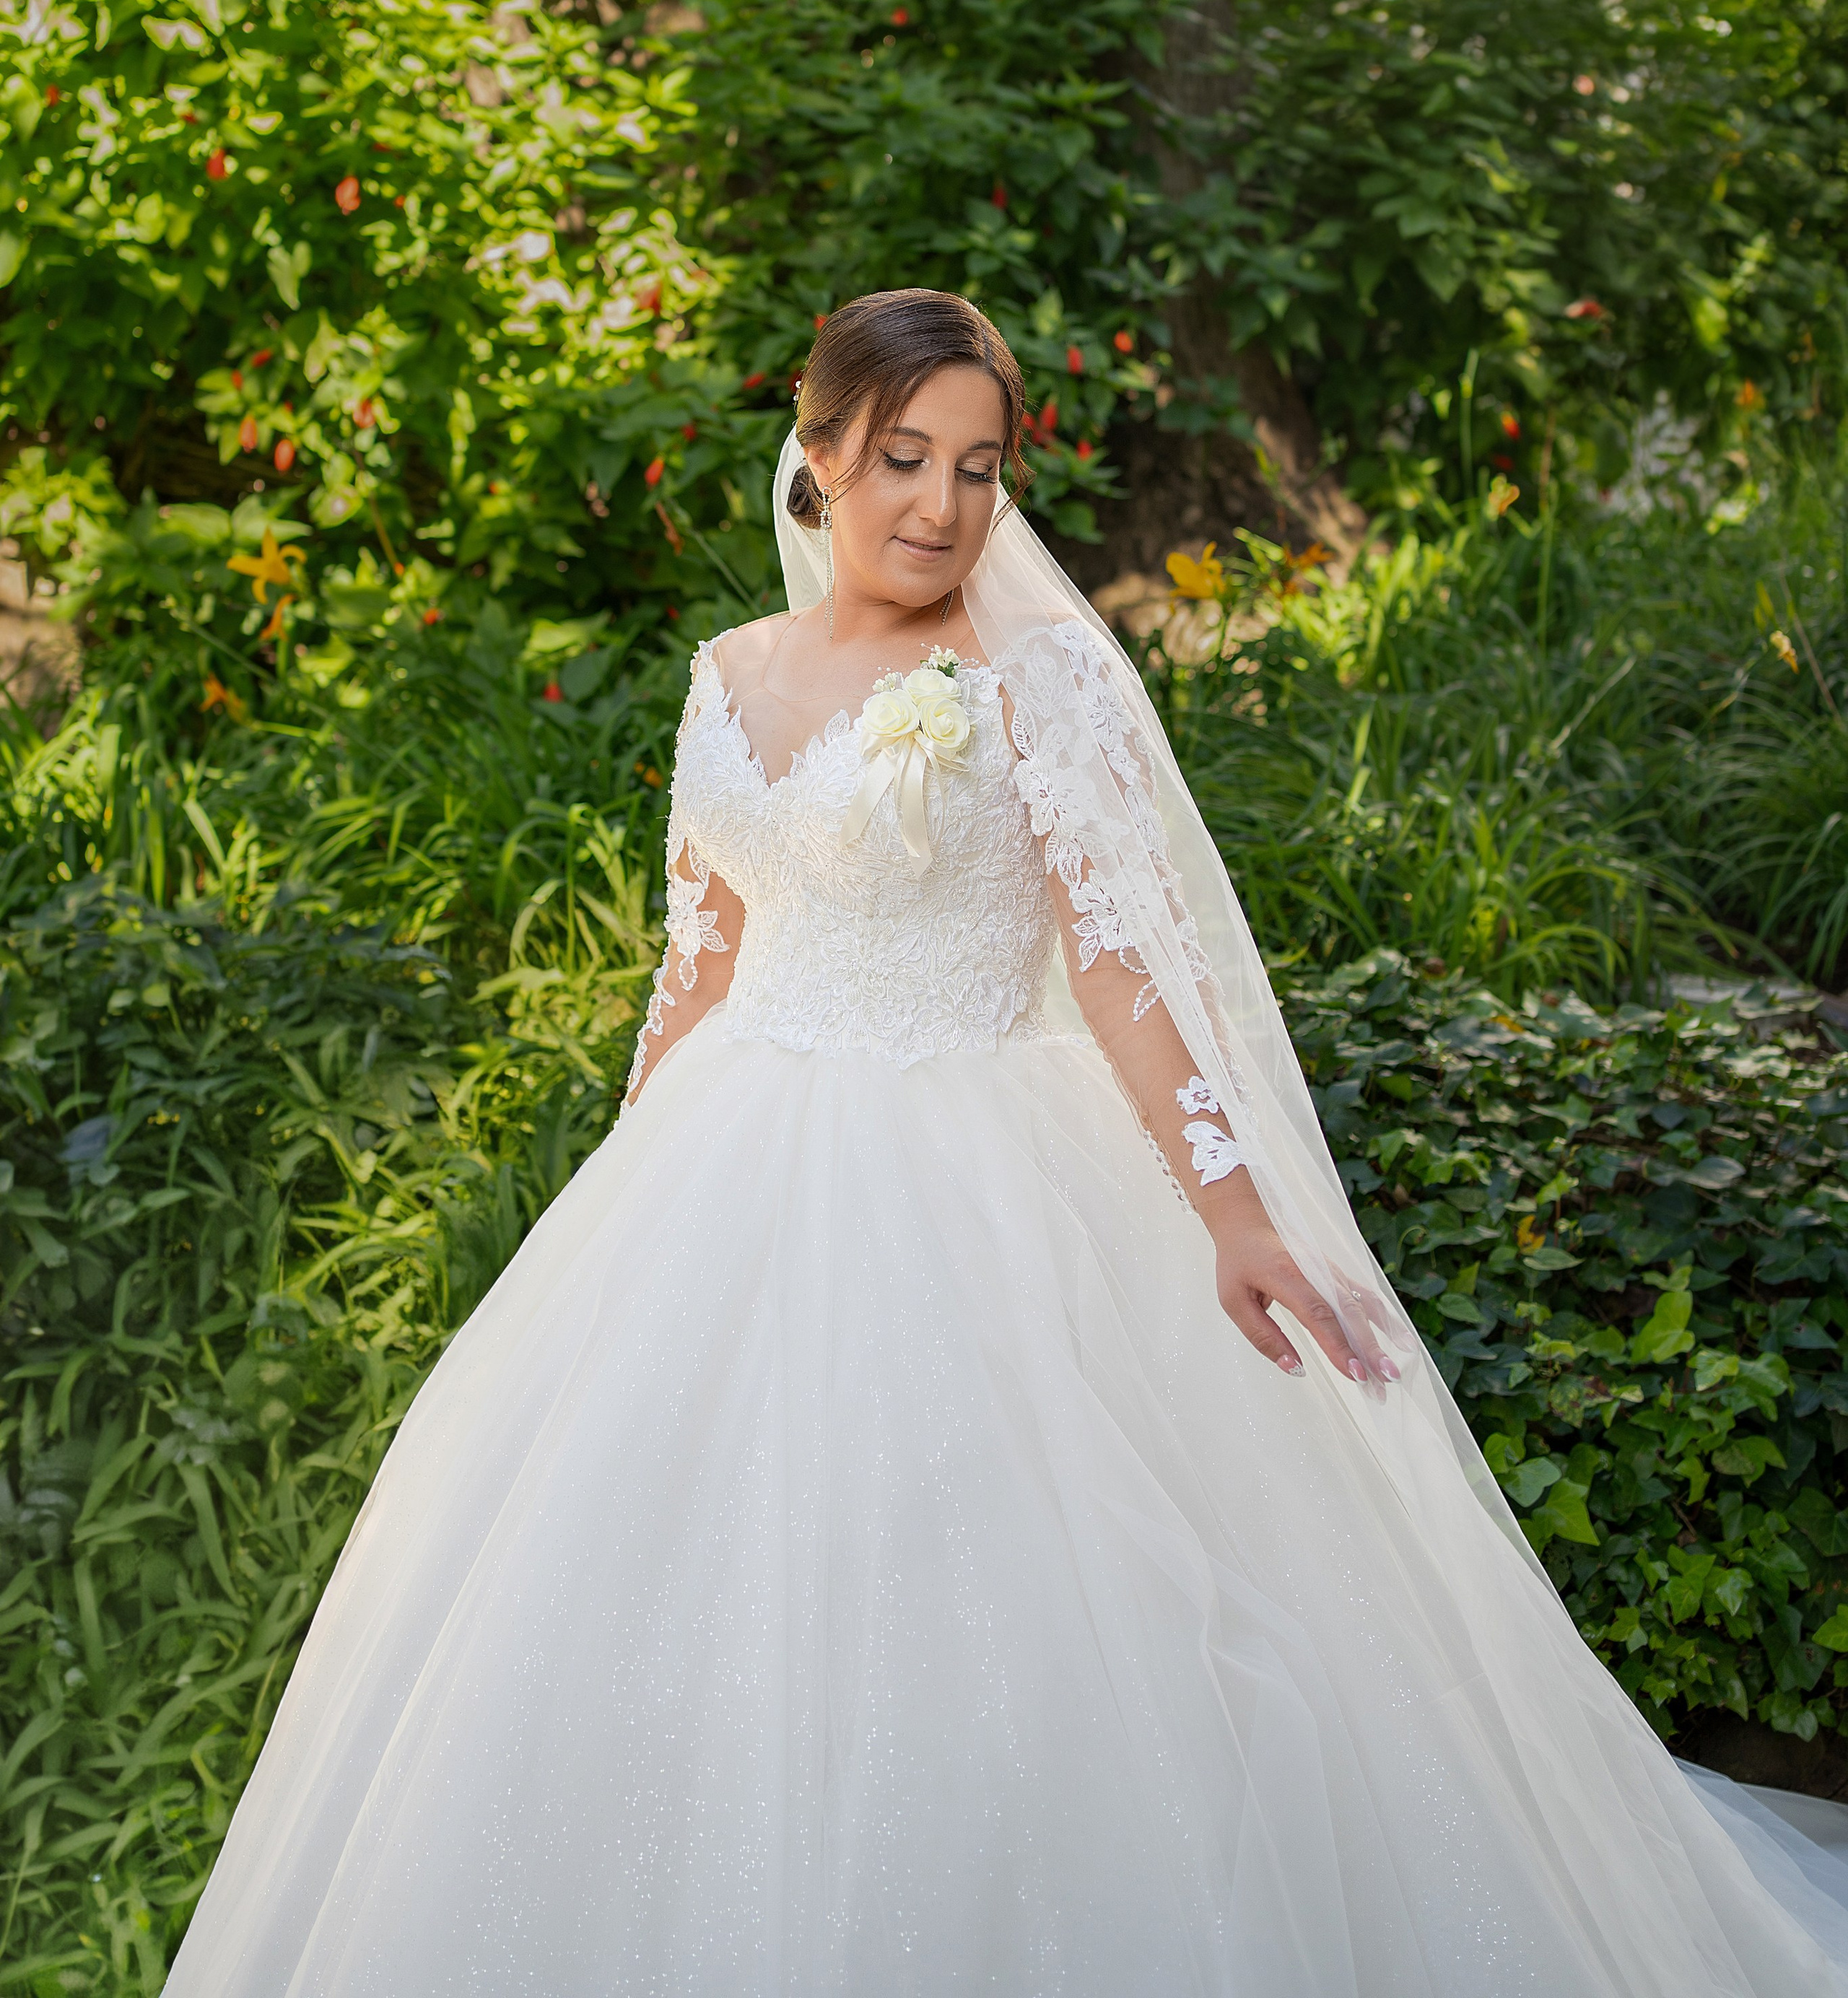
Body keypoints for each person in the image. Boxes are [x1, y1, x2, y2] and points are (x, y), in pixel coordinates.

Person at [167, 288, 1848, 1995]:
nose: (941, 506)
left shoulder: (1031, 676)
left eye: (977, 470)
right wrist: (618, 1194)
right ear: (820, 451)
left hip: (974, 1170)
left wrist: (1233, 1211)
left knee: (1021, 1621)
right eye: (904, 459)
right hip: (726, 1172)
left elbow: (1116, 961)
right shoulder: (726, 675)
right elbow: (701, 958)